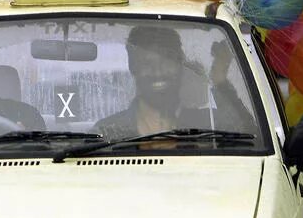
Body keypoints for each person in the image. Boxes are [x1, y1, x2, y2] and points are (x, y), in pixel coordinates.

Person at [93, 25, 257, 140]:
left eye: (166, 62)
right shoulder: (107, 132)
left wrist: (219, 79)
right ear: (133, 67)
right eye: (146, 63)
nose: (158, 72)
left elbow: (251, 134)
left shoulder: (210, 127)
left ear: (180, 66)